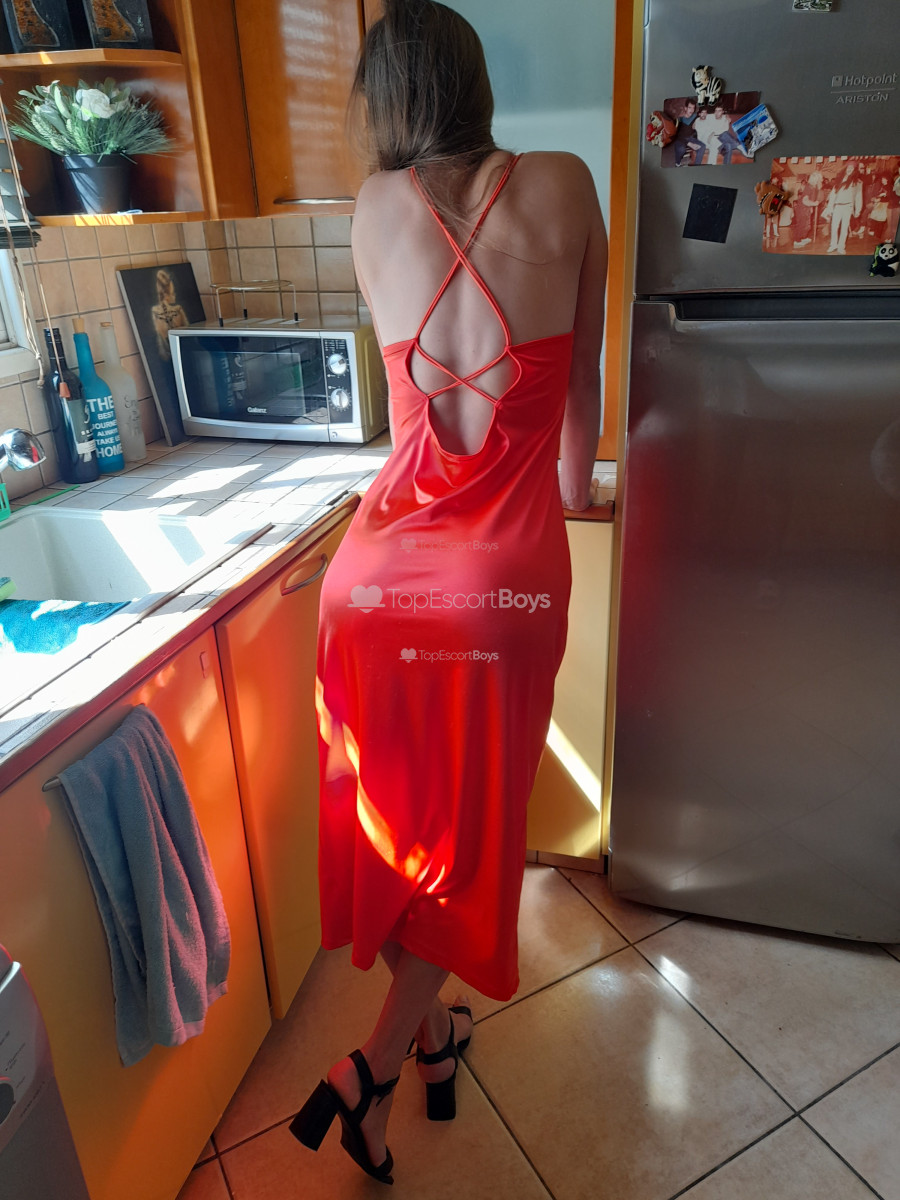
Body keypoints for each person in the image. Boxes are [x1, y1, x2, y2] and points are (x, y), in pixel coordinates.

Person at [288, 0, 606, 1186]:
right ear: (474, 81)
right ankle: (370, 1069)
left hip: (373, 583)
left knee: (400, 823)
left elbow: (405, 414)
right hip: (501, 586)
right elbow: (579, 402)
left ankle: (431, 1049)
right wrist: (568, 498)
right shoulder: (565, 183)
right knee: (466, 844)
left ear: (383, 102)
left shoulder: (373, 207)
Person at [823, 162, 863, 254]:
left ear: (854, 170)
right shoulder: (839, 180)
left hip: (848, 207)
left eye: (851, 168)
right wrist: (830, 207)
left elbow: (858, 197)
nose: (849, 169)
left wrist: (858, 209)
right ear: (845, 169)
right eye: (848, 168)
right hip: (837, 206)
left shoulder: (857, 182)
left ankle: (841, 247)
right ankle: (833, 245)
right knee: (834, 227)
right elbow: (833, 194)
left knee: (844, 228)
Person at [150, 268, 188, 359]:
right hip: (179, 351)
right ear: (166, 294)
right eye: (173, 293)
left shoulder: (155, 311)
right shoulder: (178, 309)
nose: (175, 295)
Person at [672, 98, 705, 166]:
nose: (692, 110)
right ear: (685, 108)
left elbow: (704, 114)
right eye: (690, 108)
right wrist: (689, 144)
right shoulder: (679, 119)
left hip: (690, 138)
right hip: (680, 139)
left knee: (702, 146)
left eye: (693, 108)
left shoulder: (695, 116)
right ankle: (677, 163)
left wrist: (726, 116)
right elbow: (677, 136)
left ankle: (696, 166)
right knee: (681, 149)